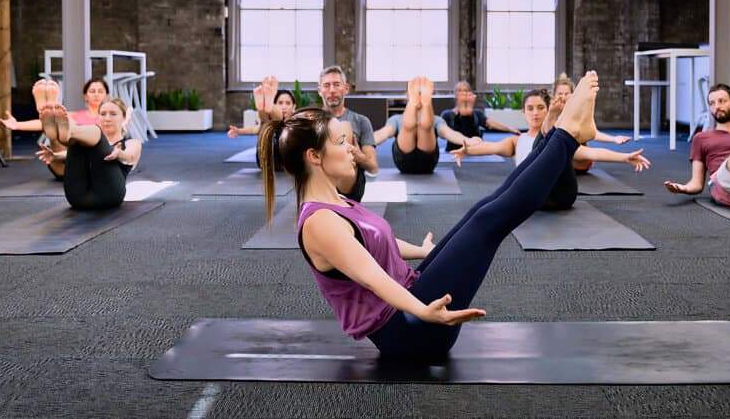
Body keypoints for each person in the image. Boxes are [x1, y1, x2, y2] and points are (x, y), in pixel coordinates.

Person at [257, 71, 601, 359]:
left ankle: (560, 136)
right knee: (489, 223)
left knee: (481, 210)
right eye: (339, 142)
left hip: (413, 301)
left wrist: (423, 252)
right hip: (412, 333)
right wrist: (423, 312)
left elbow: (370, 242)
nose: (351, 148)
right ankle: (567, 134)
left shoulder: (336, 201)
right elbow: (373, 278)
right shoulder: (319, 223)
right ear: (314, 157)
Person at [451, 88, 649, 210]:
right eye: (530, 108)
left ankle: (554, 126)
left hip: (562, 195)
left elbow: (589, 153)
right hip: (535, 198)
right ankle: (554, 126)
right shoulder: (515, 142)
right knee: (548, 143)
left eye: (540, 108)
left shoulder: (559, 140)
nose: (535, 113)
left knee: (553, 142)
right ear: (523, 112)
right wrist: (467, 150)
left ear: (547, 110)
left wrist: (624, 158)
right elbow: (489, 147)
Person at [35, 97, 142, 210]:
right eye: (103, 114)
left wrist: (119, 154)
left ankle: (70, 132)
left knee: (95, 132)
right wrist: (55, 156)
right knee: (78, 142)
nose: (107, 118)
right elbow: (70, 156)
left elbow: (130, 157)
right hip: (76, 198)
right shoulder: (88, 138)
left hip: (109, 196)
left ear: (124, 117)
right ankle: (63, 137)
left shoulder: (132, 143)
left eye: (113, 114)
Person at [0, 78, 111, 179]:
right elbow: (41, 123)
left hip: (91, 164)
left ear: (107, 95)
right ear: (85, 96)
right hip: (63, 164)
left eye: (100, 91)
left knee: (67, 127)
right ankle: (48, 112)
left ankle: (51, 113)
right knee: (59, 126)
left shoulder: (110, 118)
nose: (96, 95)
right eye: (92, 91)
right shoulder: (72, 115)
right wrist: (17, 125)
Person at [372, 76, 484, 174]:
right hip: (404, 159)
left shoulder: (436, 120)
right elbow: (383, 133)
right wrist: (364, 142)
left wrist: (469, 141)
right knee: (409, 127)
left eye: (422, 94)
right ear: (408, 95)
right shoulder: (396, 119)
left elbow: (450, 134)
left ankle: (424, 108)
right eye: (417, 94)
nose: (420, 97)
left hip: (427, 160)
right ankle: (415, 108)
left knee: (425, 127)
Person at [548, 72, 631, 173]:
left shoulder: (577, 113)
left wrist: (614, 139)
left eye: (567, 94)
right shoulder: (551, 115)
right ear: (554, 95)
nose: (564, 97)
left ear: (573, 95)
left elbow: (592, 133)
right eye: (560, 94)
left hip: (579, 160)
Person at [317, 65, 376, 199]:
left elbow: (373, 168)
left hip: (349, 188)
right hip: (320, 184)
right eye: (326, 86)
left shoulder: (361, 121)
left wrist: (357, 155)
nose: (332, 90)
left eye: (337, 85)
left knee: (344, 127)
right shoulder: (312, 121)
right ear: (320, 91)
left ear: (346, 89)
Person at [227, 77, 297, 168]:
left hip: (288, 161)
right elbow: (255, 129)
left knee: (277, 122)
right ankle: (264, 107)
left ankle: (266, 106)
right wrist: (239, 131)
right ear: (275, 104)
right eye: (280, 103)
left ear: (294, 106)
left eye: (287, 103)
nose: (284, 107)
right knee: (268, 122)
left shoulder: (297, 120)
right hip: (266, 159)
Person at [439, 81, 521, 152]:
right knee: (455, 129)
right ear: (455, 95)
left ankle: (466, 115)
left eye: (466, 90)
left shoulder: (477, 113)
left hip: (475, 145)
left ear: (470, 93)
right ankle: (463, 115)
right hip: (455, 146)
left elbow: (491, 124)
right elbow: (441, 134)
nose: (463, 93)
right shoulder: (447, 114)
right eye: (460, 90)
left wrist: (510, 129)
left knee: (473, 119)